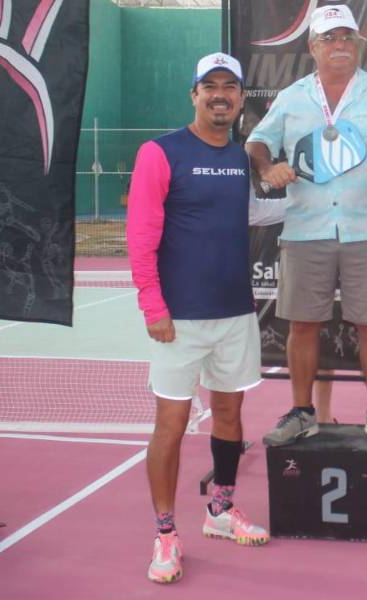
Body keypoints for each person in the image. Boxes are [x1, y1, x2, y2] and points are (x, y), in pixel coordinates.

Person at [246, 5, 367, 448]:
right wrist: (267, 168)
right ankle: (302, 412)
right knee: (302, 325)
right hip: (306, 229)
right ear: (313, 47)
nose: (341, 45)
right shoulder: (291, 97)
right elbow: (256, 142)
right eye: (330, 38)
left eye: (348, 38)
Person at [128, 52, 270, 585]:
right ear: (194, 94)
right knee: (170, 426)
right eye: (210, 86)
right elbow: (140, 235)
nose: (220, 95)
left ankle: (220, 510)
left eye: (229, 86)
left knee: (230, 416)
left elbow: (249, 215)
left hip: (235, 313)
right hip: (178, 320)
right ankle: (165, 534)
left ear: (240, 98)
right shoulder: (160, 153)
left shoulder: (238, 157)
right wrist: (153, 306)